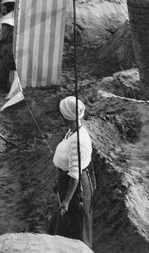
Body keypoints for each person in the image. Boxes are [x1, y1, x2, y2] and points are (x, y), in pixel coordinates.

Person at [49, 96, 95, 247]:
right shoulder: (71, 132)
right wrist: (59, 180)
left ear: (66, 117)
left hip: (75, 190)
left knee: (78, 230)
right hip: (66, 183)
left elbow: (75, 174)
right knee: (62, 228)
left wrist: (67, 201)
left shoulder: (79, 140)